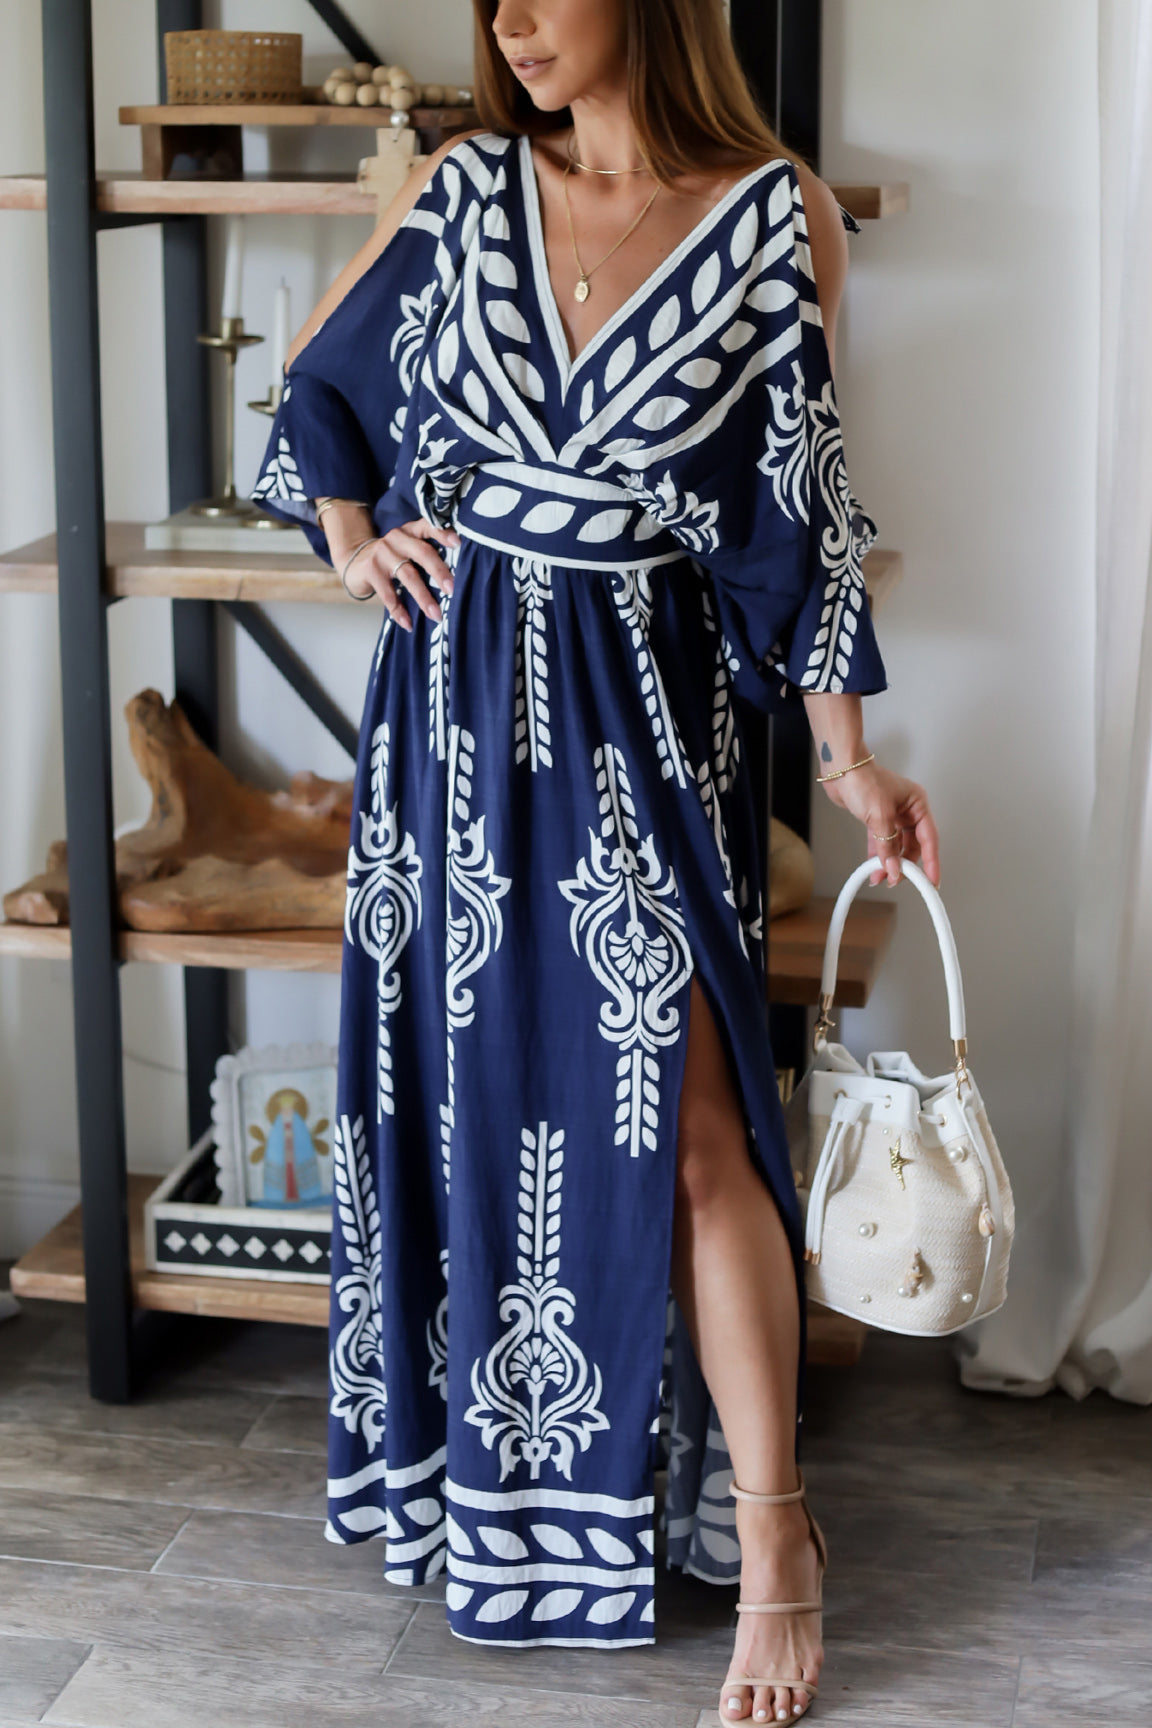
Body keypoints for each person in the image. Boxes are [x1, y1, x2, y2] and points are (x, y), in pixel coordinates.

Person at [251, 0, 940, 1720]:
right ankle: (508, 1508)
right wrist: (353, 540)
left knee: (695, 1133)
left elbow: (803, 516)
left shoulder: (774, 219)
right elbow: (318, 383)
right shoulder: (463, 187)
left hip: (645, 728)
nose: (510, 23)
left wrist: (851, 761)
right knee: (475, 1120)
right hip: (450, 727)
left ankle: (775, 1537)